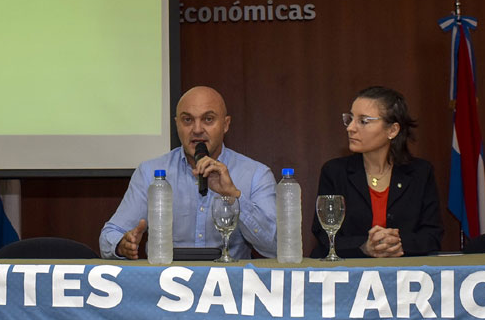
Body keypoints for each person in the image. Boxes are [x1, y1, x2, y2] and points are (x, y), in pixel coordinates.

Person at [100, 86, 277, 260]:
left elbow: (276, 246)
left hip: (229, 278)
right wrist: (122, 245)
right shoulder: (150, 173)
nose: (197, 129)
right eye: (187, 120)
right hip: (167, 278)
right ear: (177, 124)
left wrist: (234, 196)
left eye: (208, 119)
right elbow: (110, 235)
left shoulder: (256, 174)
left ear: (225, 125)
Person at [312, 86, 443, 258]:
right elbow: (324, 235)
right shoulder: (335, 172)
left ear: (392, 130)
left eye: (363, 121)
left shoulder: (420, 172)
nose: (350, 128)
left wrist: (397, 243)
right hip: (350, 269)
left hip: (404, 271)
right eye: (350, 119)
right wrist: (364, 246)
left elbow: (432, 235)